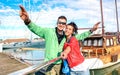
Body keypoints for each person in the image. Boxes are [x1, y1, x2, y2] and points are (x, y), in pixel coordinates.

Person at [19, 5, 100, 75]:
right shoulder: (48, 32)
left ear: (65, 25)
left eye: (63, 23)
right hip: (50, 64)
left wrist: (92, 30)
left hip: (60, 64)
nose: (61, 24)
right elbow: (36, 29)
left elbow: (80, 37)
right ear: (57, 23)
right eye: (59, 22)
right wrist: (27, 20)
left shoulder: (67, 36)